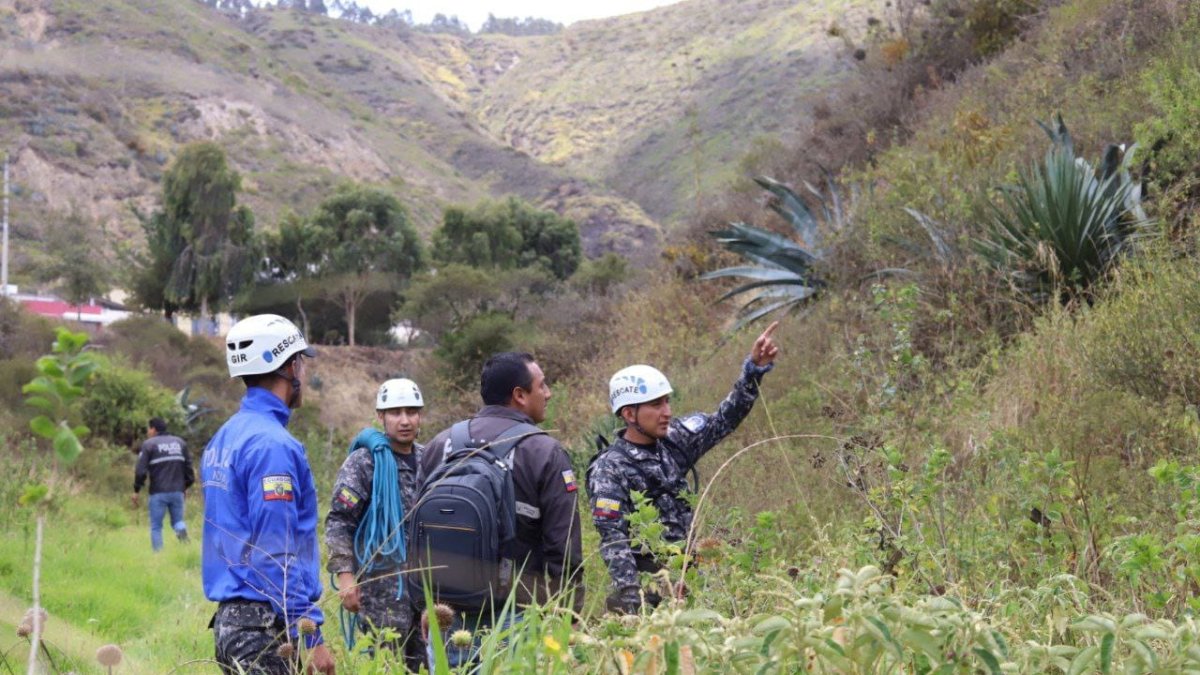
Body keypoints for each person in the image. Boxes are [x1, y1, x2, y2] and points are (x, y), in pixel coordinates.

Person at [587, 321, 780, 614]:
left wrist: (753, 371)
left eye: (667, 402)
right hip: (651, 594)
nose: (667, 412)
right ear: (629, 414)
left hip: (693, 581)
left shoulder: (674, 440)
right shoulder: (609, 469)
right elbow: (614, 542)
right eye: (656, 405)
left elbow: (723, 420)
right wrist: (634, 606)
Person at [418, 351, 584, 667]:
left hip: (447, 615)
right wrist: (569, 617)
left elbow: (417, 534)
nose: (548, 393)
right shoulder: (544, 451)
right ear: (519, 395)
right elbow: (563, 549)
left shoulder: (440, 445)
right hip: (517, 617)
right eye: (542, 385)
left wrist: (426, 606)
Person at [200, 314, 335, 675]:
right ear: (291, 367)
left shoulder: (224, 437)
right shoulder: (272, 446)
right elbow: (273, 551)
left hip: (232, 625)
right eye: (301, 362)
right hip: (263, 628)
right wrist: (310, 635)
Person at [326, 378, 426, 669]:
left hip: (425, 594)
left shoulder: (430, 460)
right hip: (380, 595)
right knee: (384, 667)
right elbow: (339, 521)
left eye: (411, 412)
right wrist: (346, 577)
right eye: (395, 412)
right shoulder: (364, 463)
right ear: (381, 416)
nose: (405, 420)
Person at [132, 417, 194, 552]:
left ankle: (158, 556)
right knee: (178, 521)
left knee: (156, 526)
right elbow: (189, 469)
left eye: (148, 429)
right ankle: (186, 547)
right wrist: (185, 487)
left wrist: (136, 489)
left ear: (153, 429)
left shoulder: (149, 445)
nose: (148, 432)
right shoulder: (180, 443)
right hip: (177, 491)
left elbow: (140, 471)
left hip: (158, 492)